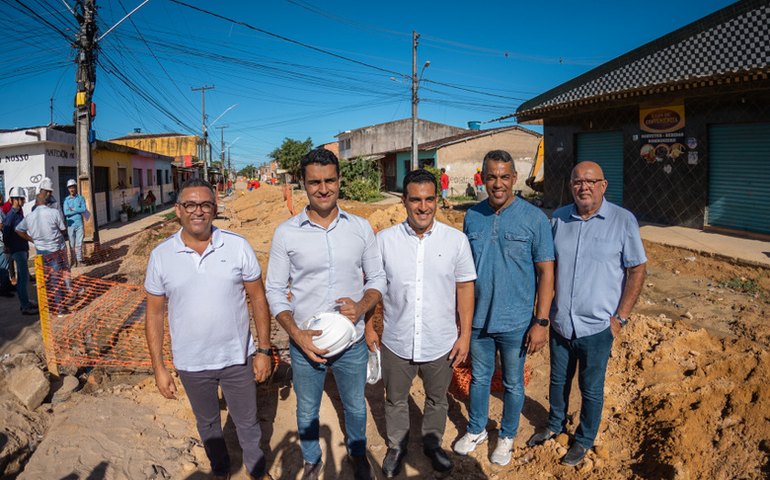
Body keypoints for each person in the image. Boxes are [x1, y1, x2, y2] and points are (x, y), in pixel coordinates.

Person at [266, 147, 386, 480]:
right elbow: (274, 291)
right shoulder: (286, 233)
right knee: (306, 409)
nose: (323, 188)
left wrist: (362, 308)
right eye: (315, 181)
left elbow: (377, 279)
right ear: (302, 183)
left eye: (330, 180)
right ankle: (311, 459)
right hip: (306, 345)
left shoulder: (360, 228)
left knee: (355, 405)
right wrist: (298, 336)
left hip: (353, 343)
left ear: (339, 180)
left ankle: (358, 455)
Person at [144, 178, 274, 480]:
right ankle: (221, 470)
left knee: (247, 423)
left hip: (237, 357)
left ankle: (257, 472)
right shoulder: (161, 256)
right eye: (190, 204)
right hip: (191, 362)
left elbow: (257, 297)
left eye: (205, 204)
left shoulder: (237, 246)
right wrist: (159, 368)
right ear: (178, 210)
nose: (197, 211)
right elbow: (153, 315)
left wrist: (263, 350)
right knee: (208, 423)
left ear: (214, 209)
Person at [526, 161, 646, 466]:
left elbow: (637, 269)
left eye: (591, 181)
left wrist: (620, 318)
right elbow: (547, 270)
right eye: (578, 182)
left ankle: (584, 439)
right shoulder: (559, 219)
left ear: (603, 186)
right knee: (557, 381)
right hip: (561, 324)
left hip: (597, 328)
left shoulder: (622, 220)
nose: (584, 187)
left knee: (590, 388)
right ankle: (555, 424)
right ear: (571, 186)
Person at [365, 168, 476, 478]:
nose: (423, 207)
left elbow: (465, 288)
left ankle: (432, 444)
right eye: (416, 200)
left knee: (437, 398)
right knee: (395, 399)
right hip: (397, 340)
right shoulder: (385, 241)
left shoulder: (456, 241)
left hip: (440, 340)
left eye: (429, 199)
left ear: (437, 200)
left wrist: (464, 335)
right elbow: (372, 287)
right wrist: (369, 326)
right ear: (404, 201)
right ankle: (397, 446)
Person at [454, 150, 555, 466]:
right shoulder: (472, 216)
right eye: (491, 177)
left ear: (513, 178)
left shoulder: (534, 219)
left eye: (504, 176)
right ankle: (476, 429)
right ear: (483, 178)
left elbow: (546, 272)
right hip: (480, 320)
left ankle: (507, 436)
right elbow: (464, 270)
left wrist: (541, 320)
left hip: (517, 321)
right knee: (480, 378)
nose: (498, 183)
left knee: (513, 382)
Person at [16, 193, 70, 313]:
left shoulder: (30, 216)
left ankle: (50, 307)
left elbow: (18, 229)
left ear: (36, 202)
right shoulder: (54, 213)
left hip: (40, 253)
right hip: (54, 251)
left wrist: (32, 239)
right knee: (56, 279)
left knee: (46, 281)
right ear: (47, 202)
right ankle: (60, 309)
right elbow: (63, 229)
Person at [2, 188, 37, 315]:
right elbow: (6, 234)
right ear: (15, 200)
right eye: (22, 199)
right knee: (22, 279)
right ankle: (25, 306)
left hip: (22, 248)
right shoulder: (11, 216)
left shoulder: (18, 213)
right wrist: (9, 246)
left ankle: (26, 301)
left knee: (24, 278)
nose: (24, 200)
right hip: (17, 250)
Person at [63, 179, 86, 267]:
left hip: (79, 223)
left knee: (79, 242)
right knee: (71, 243)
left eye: (73, 187)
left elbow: (83, 209)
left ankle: (79, 260)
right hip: (70, 224)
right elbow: (66, 212)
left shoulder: (81, 198)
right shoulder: (66, 200)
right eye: (70, 187)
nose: (71, 189)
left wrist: (72, 210)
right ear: (68, 189)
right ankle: (73, 261)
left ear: (76, 187)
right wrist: (77, 210)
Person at [0, 193, 15, 297]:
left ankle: (8, 285)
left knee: (6, 264)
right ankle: (4, 289)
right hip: (1, 242)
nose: (2, 199)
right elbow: (1, 225)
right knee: (4, 266)